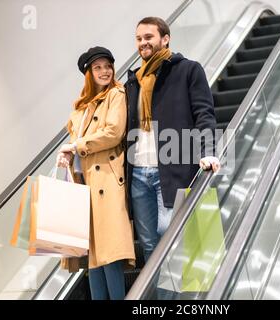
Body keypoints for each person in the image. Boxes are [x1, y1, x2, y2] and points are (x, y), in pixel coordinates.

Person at [125, 17, 220, 263]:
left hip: (172, 168)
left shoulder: (188, 70)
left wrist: (208, 151)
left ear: (165, 39)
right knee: (148, 243)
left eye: (148, 37)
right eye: (138, 39)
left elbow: (204, 114)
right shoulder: (133, 81)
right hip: (138, 173)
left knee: (171, 235)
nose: (143, 43)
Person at [57, 46, 135, 300]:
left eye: (108, 66)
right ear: (88, 73)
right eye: (97, 67)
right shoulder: (80, 108)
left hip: (108, 182)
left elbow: (114, 133)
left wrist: (76, 146)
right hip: (83, 184)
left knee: (110, 252)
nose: (104, 71)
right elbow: (76, 145)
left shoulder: (116, 94)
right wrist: (66, 154)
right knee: (93, 256)